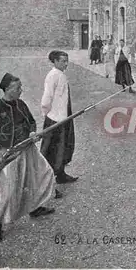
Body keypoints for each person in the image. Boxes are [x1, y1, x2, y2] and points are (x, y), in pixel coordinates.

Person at [0, 73, 56, 243]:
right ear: (7, 89)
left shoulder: (21, 104)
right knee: (6, 192)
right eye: (18, 88)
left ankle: (34, 207)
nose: (21, 90)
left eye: (20, 87)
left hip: (28, 148)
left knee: (42, 175)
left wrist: (33, 132)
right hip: (8, 155)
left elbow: (32, 122)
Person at [40, 51, 78, 184]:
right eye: (63, 61)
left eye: (67, 61)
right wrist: (47, 114)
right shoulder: (52, 76)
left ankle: (61, 174)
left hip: (64, 116)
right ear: (55, 61)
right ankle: (45, 181)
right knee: (51, 149)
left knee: (63, 146)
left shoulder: (61, 75)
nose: (66, 64)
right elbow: (46, 99)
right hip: (55, 118)